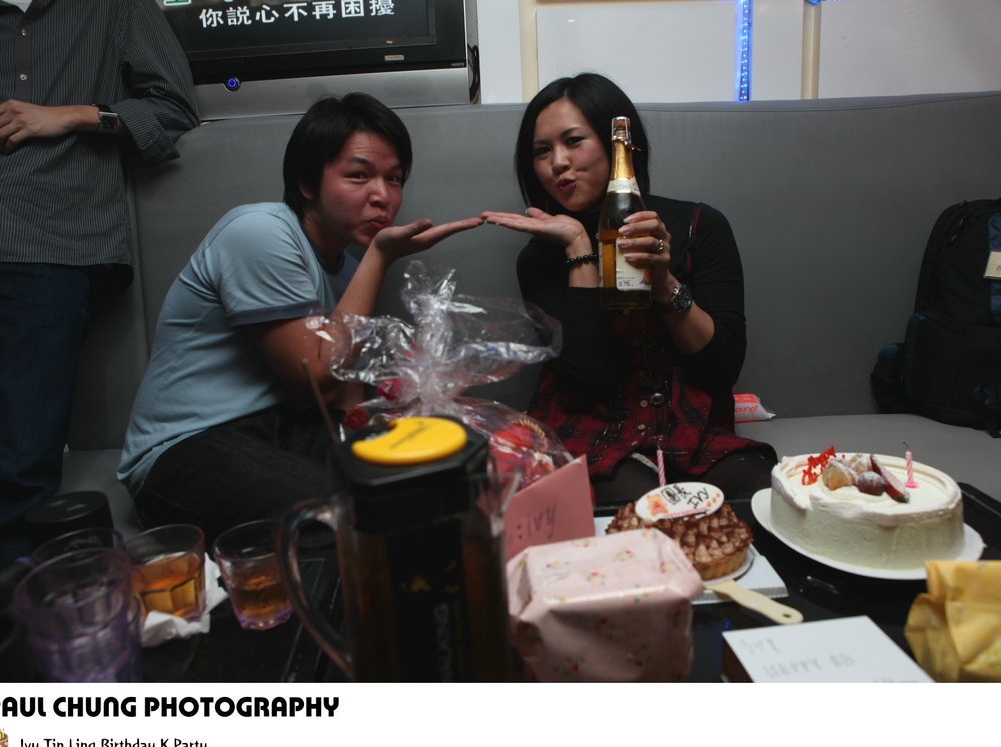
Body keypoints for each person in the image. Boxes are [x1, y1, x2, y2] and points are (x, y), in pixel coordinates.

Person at [118, 93, 484, 540]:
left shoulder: (347, 270)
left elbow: (344, 395)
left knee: (419, 486)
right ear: (307, 183)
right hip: (187, 447)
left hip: (285, 428)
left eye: (394, 179)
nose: (383, 197)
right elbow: (316, 377)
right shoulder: (260, 233)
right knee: (351, 515)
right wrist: (381, 256)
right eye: (359, 175)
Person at [482, 73, 775, 504]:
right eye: (542, 151)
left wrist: (663, 281)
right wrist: (579, 248)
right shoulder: (540, 257)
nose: (557, 162)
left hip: (692, 429)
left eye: (573, 141)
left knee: (767, 500)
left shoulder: (698, 227)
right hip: (591, 431)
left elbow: (722, 368)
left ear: (619, 145)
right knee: (642, 516)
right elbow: (588, 380)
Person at [0, 0, 199, 565]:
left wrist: (72, 115)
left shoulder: (110, 7)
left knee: (14, 464)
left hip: (43, 239)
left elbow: (174, 106)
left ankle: (8, 606)